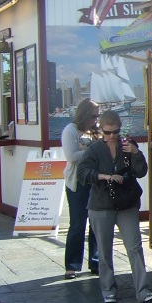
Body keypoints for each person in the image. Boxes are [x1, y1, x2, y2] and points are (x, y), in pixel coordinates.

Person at [77, 110, 152, 303]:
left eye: (115, 132)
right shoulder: (95, 149)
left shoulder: (128, 146)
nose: (112, 137)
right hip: (101, 205)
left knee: (134, 247)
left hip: (126, 203)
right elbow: (82, 172)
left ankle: (143, 290)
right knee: (105, 251)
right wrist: (103, 176)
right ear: (101, 131)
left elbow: (141, 172)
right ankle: (108, 289)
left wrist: (136, 153)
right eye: (107, 133)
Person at [62, 98, 99, 279]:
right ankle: (72, 265)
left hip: (94, 182)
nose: (95, 120)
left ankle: (96, 261)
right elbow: (72, 157)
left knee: (96, 224)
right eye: (93, 116)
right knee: (77, 224)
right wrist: (93, 151)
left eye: (97, 116)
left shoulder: (95, 131)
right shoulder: (70, 130)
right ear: (84, 114)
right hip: (77, 184)